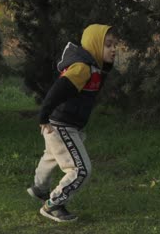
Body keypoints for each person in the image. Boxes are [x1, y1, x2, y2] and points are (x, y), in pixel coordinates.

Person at [27, 24, 118, 222]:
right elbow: (56, 91)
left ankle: (39, 188)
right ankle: (53, 205)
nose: (114, 49)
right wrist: (43, 117)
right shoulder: (81, 68)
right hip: (61, 125)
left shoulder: (93, 68)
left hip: (63, 124)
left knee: (51, 156)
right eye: (108, 45)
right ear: (94, 45)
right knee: (81, 169)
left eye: (115, 45)